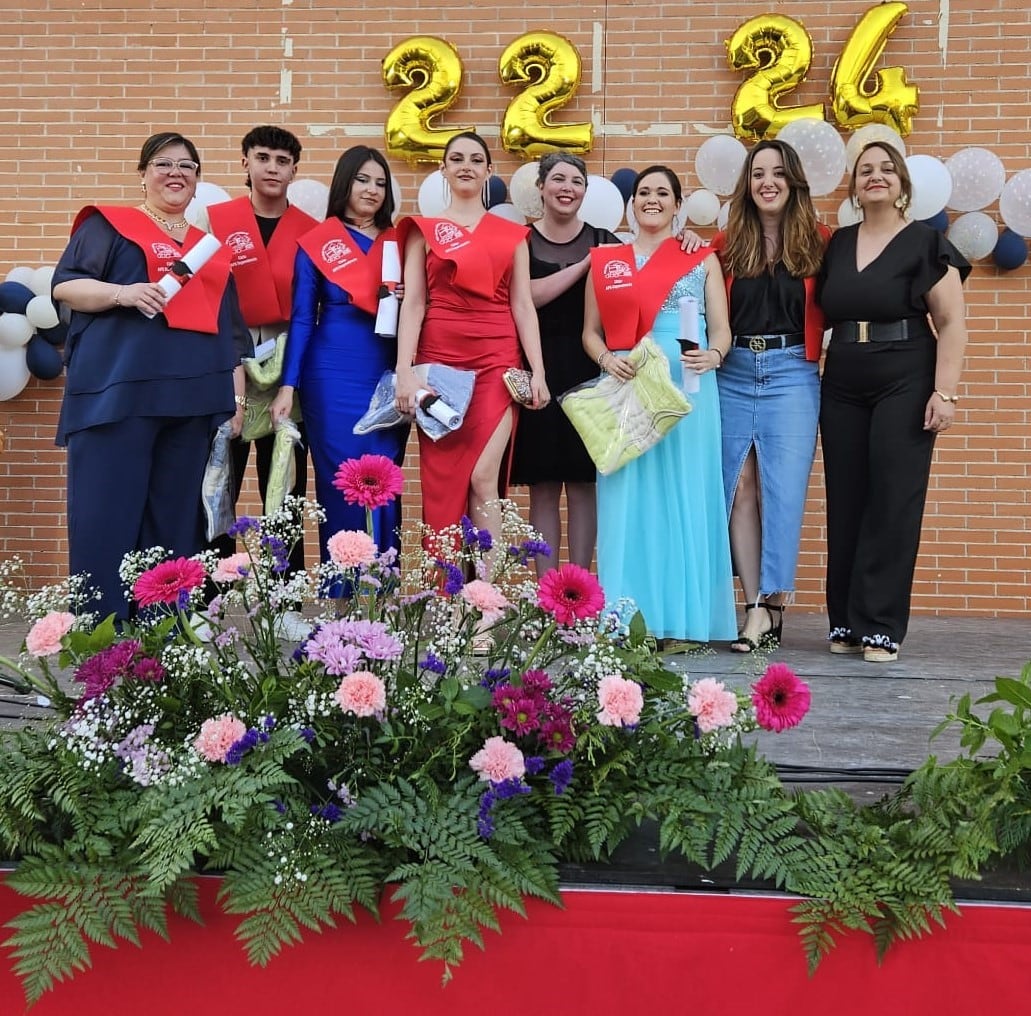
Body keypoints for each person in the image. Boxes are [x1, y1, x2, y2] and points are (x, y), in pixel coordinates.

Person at [52, 131, 251, 621]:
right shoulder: (110, 227)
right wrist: (123, 294)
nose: (175, 174)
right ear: (143, 174)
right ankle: (101, 638)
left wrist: (237, 403)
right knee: (107, 519)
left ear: (198, 179)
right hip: (119, 397)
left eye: (187, 166)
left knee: (174, 525)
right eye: (163, 164)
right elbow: (67, 286)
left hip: (192, 400)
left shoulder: (210, 250)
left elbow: (230, 337)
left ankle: (160, 636)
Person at [818, 142, 970, 663]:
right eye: (865, 170)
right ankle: (845, 619)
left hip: (905, 375)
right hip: (841, 380)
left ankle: (881, 624)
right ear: (855, 187)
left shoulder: (926, 243)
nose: (875, 176)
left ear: (902, 183)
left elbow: (951, 323)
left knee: (893, 496)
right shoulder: (836, 244)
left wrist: (944, 392)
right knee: (847, 495)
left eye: (886, 169)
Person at [582, 165, 737, 645]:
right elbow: (589, 332)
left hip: (688, 388)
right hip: (629, 386)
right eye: (644, 192)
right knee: (630, 500)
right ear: (633, 204)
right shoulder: (607, 260)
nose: (652, 199)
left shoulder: (700, 258)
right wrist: (607, 358)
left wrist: (713, 355)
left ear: (677, 204)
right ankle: (628, 618)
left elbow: (722, 331)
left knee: (688, 497)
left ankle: (685, 621)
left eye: (662, 193)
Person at [394, 131, 549, 563]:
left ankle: (486, 603)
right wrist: (404, 370)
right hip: (439, 366)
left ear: (488, 171)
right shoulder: (424, 231)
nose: (466, 165)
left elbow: (522, 305)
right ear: (442, 168)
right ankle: (444, 598)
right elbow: (414, 304)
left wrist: (538, 371)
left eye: (476, 159)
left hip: (497, 363)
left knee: (484, 476)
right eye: (456, 158)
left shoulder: (513, 234)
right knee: (442, 483)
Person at [712, 140, 830, 653]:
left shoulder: (823, 243)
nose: (768, 182)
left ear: (794, 181)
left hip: (792, 372)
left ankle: (769, 604)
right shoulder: (724, 243)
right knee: (737, 489)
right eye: (758, 173)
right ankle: (751, 603)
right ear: (747, 184)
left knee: (781, 492)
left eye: (778, 173)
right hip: (732, 371)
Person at [270, 146, 407, 583]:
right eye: (363, 180)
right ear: (344, 183)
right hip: (329, 372)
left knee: (384, 478)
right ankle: (342, 592)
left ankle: (382, 590)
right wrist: (288, 386)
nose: (371, 190)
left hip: (387, 369)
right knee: (343, 481)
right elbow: (300, 317)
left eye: (380, 183)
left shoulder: (401, 242)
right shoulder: (318, 243)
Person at [206, 125, 317, 580]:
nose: (272, 167)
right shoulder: (215, 223)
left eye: (282, 161)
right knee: (216, 485)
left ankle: (284, 592)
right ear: (245, 162)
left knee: (285, 487)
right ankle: (211, 596)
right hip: (225, 372)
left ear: (294, 170)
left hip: (287, 379)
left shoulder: (313, 233)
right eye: (263, 157)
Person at [509, 153, 619, 576]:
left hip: (591, 369)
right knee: (542, 487)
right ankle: (546, 595)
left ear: (585, 191)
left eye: (576, 181)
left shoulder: (606, 240)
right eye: (557, 179)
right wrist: (583, 266)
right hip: (539, 369)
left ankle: (577, 590)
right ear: (540, 187)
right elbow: (524, 300)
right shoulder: (519, 241)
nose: (566, 187)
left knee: (583, 484)